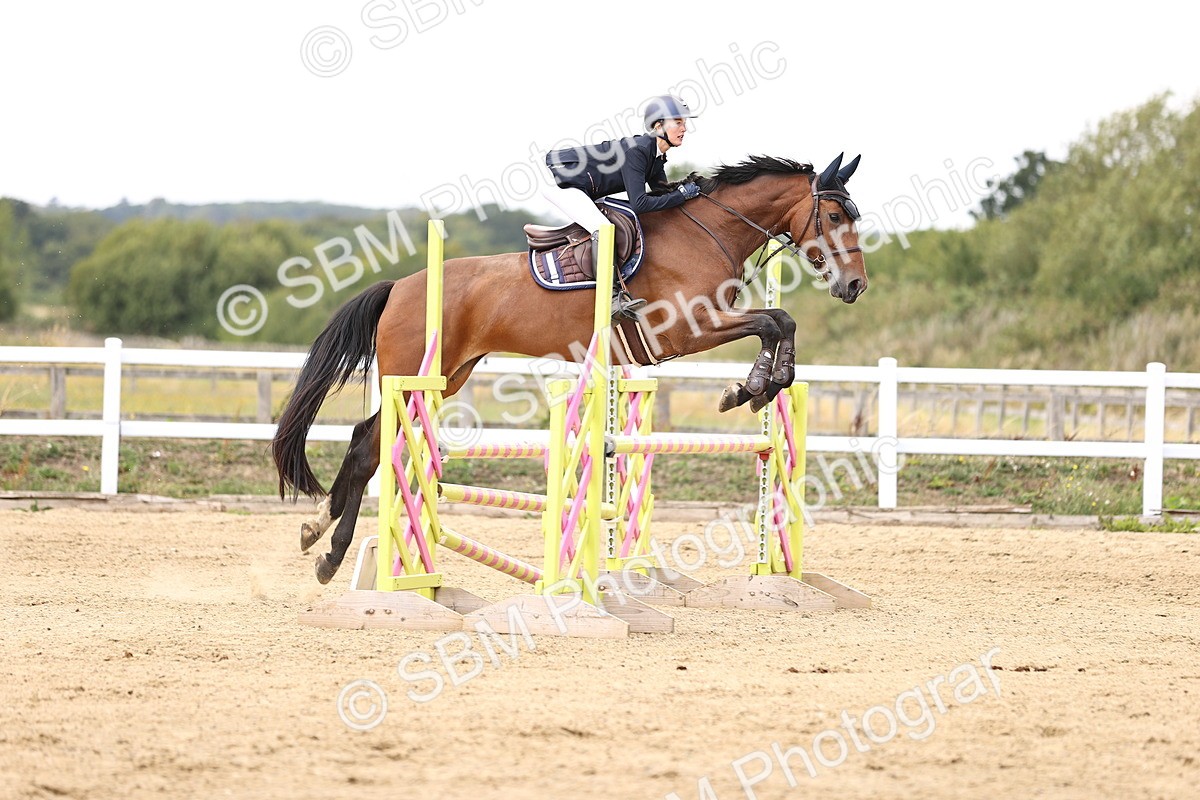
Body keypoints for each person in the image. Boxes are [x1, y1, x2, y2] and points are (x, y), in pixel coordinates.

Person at [542, 95, 702, 320]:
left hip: (582, 187)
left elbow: (663, 193)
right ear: (658, 125)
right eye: (678, 122)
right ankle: (612, 298)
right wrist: (680, 196)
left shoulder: (656, 156)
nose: (684, 128)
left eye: (684, 123)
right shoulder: (638, 151)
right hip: (563, 185)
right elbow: (640, 204)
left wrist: (691, 192)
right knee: (604, 229)